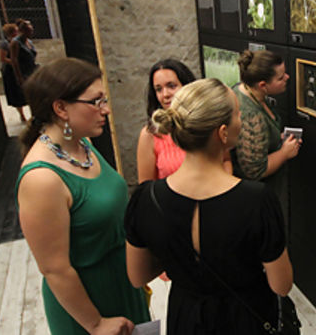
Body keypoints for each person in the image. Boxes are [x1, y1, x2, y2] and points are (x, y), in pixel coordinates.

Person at [125, 78, 293, 334]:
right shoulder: (257, 199)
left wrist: (180, 259)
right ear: (223, 132)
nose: (242, 120)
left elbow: (138, 276)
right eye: (238, 113)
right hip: (246, 317)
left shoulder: (146, 197)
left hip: (187, 317)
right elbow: (281, 284)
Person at [16, 58, 150, 335]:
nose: (106, 110)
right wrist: (95, 323)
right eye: (96, 101)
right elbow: (54, 269)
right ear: (61, 108)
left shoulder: (83, 146)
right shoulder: (41, 179)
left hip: (121, 283)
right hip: (89, 304)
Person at [232, 49, 300, 220]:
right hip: (258, 203)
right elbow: (255, 170)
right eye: (280, 77)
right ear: (263, 85)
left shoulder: (241, 90)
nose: (287, 78)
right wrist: (284, 153)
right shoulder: (250, 117)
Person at [136, 59, 197, 182]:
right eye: (158, 89)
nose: (165, 94)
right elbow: (146, 187)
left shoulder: (206, 123)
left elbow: (225, 160)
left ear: (187, 87)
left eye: (171, 86)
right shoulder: (150, 135)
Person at [7, 18, 39, 118]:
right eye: (29, 30)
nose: (31, 32)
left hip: (32, 70)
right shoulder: (15, 43)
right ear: (23, 31)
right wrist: (19, 78)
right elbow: (14, 60)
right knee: (29, 97)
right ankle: (33, 118)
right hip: (24, 73)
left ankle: (37, 115)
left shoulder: (29, 41)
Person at [0, 22, 28, 123]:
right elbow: (3, 58)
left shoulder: (21, 42)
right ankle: (22, 115)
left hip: (22, 69)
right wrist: (15, 63)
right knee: (16, 93)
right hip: (10, 71)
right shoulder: (5, 44)